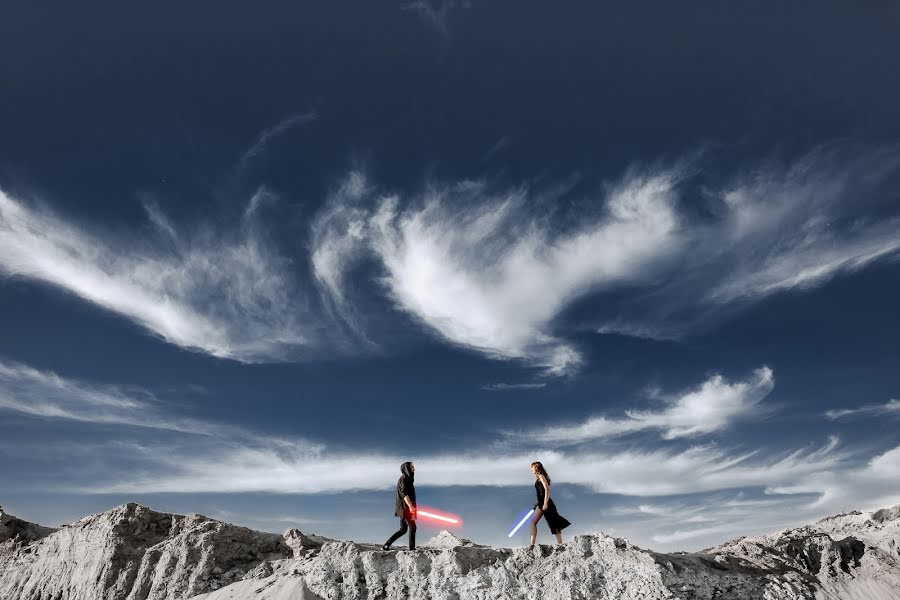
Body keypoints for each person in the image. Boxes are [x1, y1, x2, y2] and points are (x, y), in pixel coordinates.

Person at [529, 461, 570, 546]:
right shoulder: (538, 478)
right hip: (540, 503)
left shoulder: (541, 476)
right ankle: (532, 544)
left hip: (546, 503)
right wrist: (538, 503)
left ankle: (560, 544)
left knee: (554, 523)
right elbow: (541, 493)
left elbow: (547, 490)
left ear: (536, 468)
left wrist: (545, 503)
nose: (531, 469)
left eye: (532, 467)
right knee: (532, 522)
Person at [382, 461, 417, 550]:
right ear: (407, 468)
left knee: (403, 530)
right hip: (405, 508)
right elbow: (404, 494)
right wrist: (410, 506)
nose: (414, 469)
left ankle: (386, 545)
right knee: (412, 526)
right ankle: (412, 549)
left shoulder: (408, 480)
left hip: (406, 508)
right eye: (412, 467)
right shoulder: (403, 479)